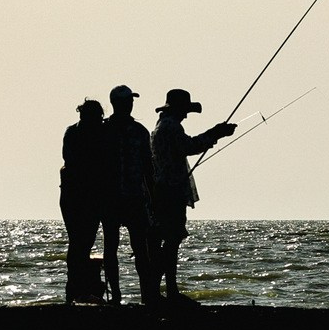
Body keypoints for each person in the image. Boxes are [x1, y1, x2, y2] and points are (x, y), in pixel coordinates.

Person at [150, 88, 236, 305]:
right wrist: (216, 133)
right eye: (185, 110)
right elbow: (190, 146)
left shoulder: (162, 125)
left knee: (170, 241)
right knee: (171, 242)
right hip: (170, 192)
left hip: (165, 191)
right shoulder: (170, 126)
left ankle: (163, 289)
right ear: (178, 109)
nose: (187, 115)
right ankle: (164, 290)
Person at [101, 84, 158, 305]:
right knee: (139, 249)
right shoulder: (140, 132)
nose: (131, 104)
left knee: (112, 248)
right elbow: (148, 170)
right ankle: (146, 295)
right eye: (129, 101)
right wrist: (153, 199)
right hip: (132, 198)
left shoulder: (103, 131)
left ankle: (116, 296)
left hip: (113, 199)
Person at [59, 98, 108, 303]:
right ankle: (79, 289)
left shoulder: (72, 132)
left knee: (77, 244)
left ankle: (75, 289)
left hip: (70, 196)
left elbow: (68, 159)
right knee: (82, 243)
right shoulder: (99, 134)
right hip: (86, 196)